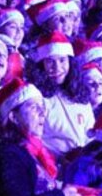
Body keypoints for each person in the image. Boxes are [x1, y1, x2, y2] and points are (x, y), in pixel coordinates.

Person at [27, 31, 95, 159]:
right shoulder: (37, 98)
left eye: (62, 60)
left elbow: (90, 133)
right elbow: (35, 139)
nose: (57, 68)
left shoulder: (79, 93)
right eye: (50, 62)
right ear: (41, 65)